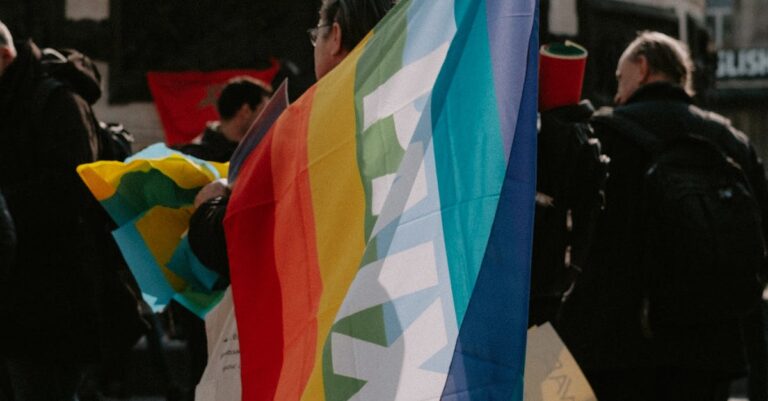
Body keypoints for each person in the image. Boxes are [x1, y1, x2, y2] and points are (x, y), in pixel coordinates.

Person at [557, 31, 768, 401]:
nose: (617, 94)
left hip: (615, 347)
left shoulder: (603, 134)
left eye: (620, 80)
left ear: (643, 68)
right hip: (708, 349)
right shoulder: (732, 142)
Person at [0, 20, 114, 401]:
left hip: (50, 303)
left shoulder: (57, 100)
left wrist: (4, 204)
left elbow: (76, 188)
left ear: (3, 55)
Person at [175, 76, 271, 163]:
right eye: (264, 111)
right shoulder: (195, 158)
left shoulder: (254, 152)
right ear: (245, 111)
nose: (270, 119)